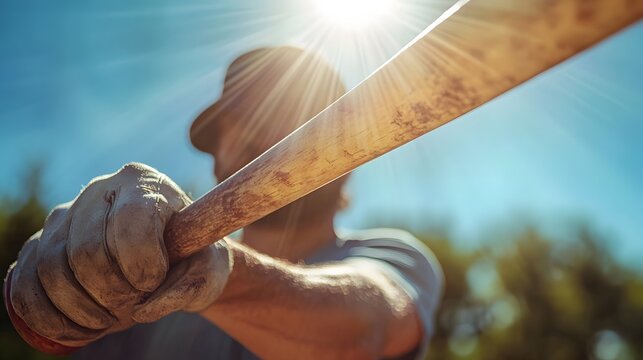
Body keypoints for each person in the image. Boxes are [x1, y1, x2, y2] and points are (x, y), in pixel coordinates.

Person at [6, 46, 443, 359]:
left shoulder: (391, 255)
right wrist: (63, 286)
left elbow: (368, 330)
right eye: (248, 116)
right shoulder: (150, 299)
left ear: (349, 160)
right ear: (218, 160)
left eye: (295, 113)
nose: (275, 135)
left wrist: (216, 273)